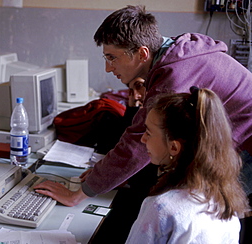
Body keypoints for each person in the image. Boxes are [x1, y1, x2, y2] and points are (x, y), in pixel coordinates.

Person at [35, 4, 252, 220]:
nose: (108, 68)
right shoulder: (176, 55)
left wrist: (78, 194)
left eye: (112, 58)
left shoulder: (174, 76)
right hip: (238, 140)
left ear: (142, 53)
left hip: (247, 144)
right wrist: (103, 174)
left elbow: (137, 142)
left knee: (216, 214)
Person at [126, 87, 249, 243]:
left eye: (148, 133)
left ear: (174, 147)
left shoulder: (161, 208)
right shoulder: (226, 205)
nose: (143, 139)